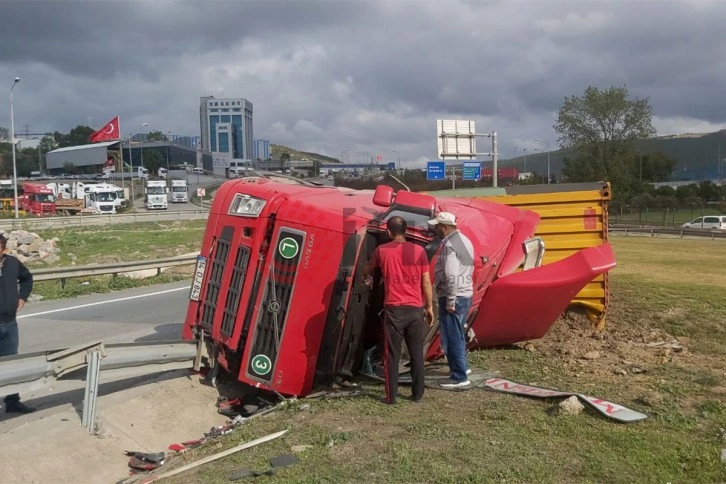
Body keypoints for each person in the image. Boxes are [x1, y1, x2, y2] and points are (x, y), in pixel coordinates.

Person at [363, 216, 434, 405]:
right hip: (415, 309)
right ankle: (417, 394)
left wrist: (367, 276)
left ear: (388, 232)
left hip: (394, 310)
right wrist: (429, 307)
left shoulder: (382, 251)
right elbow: (426, 281)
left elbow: (367, 269)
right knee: (416, 353)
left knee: (391, 354)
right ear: (405, 231)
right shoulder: (419, 251)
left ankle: (391, 397)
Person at [428, 212, 475, 389]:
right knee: (458, 333)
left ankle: (459, 377)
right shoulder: (464, 240)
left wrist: (450, 301)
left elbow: (451, 274)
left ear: (444, 227)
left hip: (454, 295)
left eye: (437, 226)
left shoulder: (449, 245)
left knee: (451, 336)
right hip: (465, 294)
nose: (435, 229)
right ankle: (463, 368)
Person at [0, 233, 35, 413]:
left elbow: (27, 278)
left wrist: (22, 297)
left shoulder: (13, 263)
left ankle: (13, 402)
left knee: (11, 364)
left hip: (9, 324)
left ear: (3, 249)